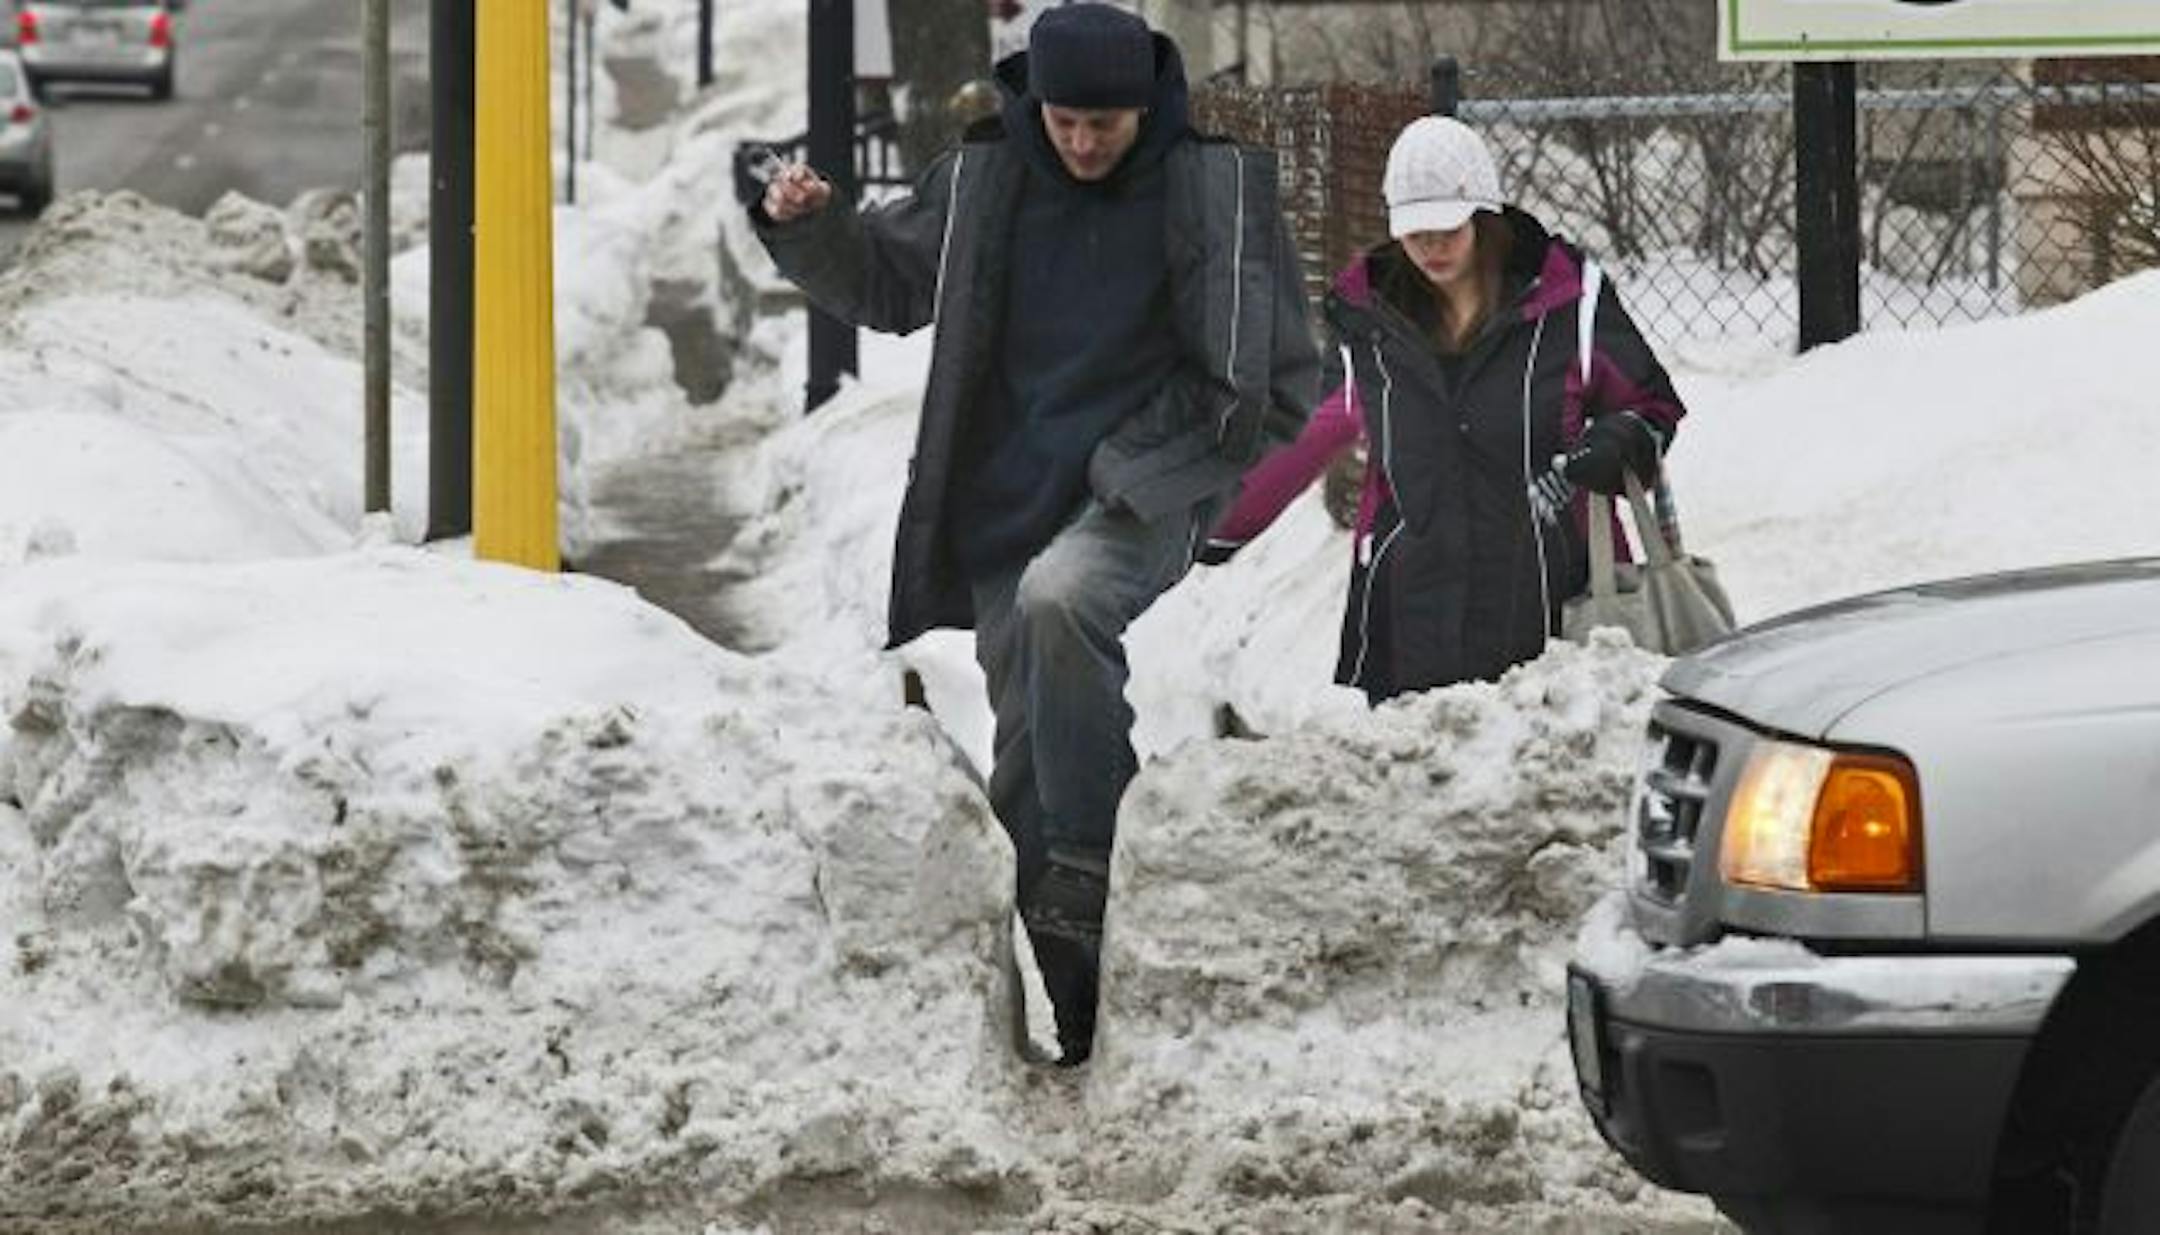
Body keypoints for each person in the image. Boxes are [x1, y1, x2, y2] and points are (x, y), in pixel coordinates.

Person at [748, 3, 1319, 1065]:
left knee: (1064, 603)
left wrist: (1164, 462)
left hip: (1142, 485)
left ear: (1144, 109)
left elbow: (1282, 375)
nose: (1086, 143)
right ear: (1036, 104)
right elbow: (883, 282)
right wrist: (814, 227)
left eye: (1107, 124)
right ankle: (1084, 990)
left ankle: (1098, 885)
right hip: (1011, 493)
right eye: (1066, 121)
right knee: (1026, 749)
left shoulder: (1208, 185)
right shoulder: (985, 179)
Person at [1200, 116, 1686, 704]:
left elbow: (1651, 404)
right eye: (1414, 229)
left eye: (1447, 228)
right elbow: (1309, 428)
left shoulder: (1569, 303)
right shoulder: (1369, 320)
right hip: (1409, 615)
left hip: (1553, 601)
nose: (1431, 245)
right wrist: (1213, 525)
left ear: (1484, 215)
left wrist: (1620, 440)